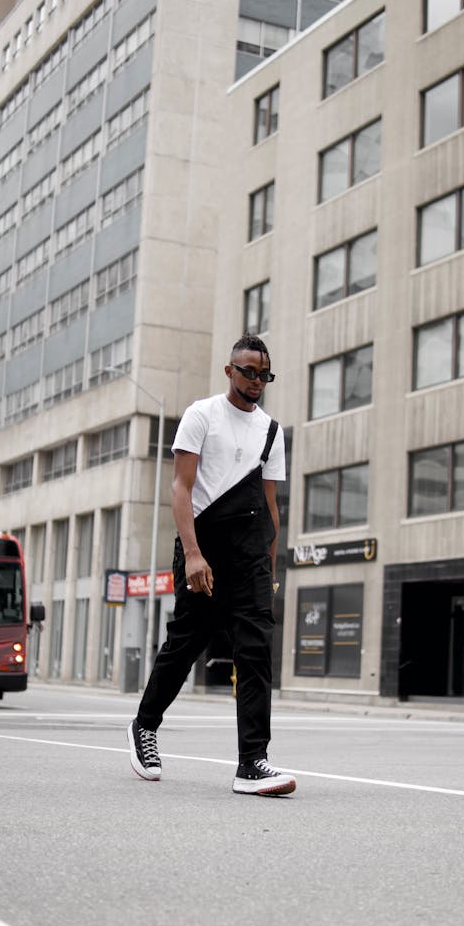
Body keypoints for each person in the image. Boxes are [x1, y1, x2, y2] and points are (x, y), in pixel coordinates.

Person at [127, 334, 296, 796]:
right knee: (188, 642)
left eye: (264, 374)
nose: (256, 381)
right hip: (204, 544)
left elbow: (270, 506)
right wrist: (194, 554)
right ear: (229, 371)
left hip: (251, 554)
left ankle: (252, 762)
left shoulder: (270, 430)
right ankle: (144, 726)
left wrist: (271, 567)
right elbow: (181, 489)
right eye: (248, 372)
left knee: (256, 649)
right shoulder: (201, 415)